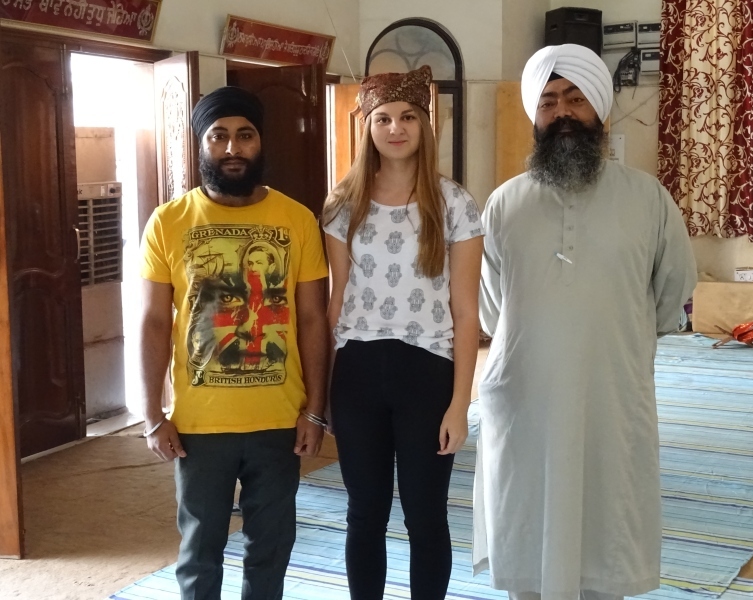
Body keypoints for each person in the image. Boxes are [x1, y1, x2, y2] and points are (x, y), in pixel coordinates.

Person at [474, 44, 697, 600]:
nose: (563, 113)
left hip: (611, 396)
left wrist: (617, 331)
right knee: (527, 538)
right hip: (524, 398)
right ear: (535, 115)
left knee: (606, 536)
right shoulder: (504, 205)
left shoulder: (648, 199)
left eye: (575, 99)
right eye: (548, 102)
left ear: (600, 108)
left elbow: (673, 293)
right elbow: (490, 309)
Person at [139, 86, 329, 600]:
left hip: (278, 420)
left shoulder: (297, 219)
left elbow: (313, 319)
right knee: (200, 552)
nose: (232, 148)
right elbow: (153, 322)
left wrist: (315, 410)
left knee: (271, 548)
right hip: (200, 424)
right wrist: (153, 415)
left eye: (244, 135)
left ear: (260, 142)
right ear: (201, 144)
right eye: (218, 136)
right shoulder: (169, 222)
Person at [323, 65, 484, 600]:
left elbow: (466, 312)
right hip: (358, 373)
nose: (396, 128)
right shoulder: (343, 204)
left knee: (425, 514)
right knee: (364, 512)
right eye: (384, 118)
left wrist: (459, 404)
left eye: (409, 117)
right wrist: (324, 393)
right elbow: (336, 301)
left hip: (427, 373)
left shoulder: (454, 203)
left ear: (425, 125)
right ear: (367, 127)